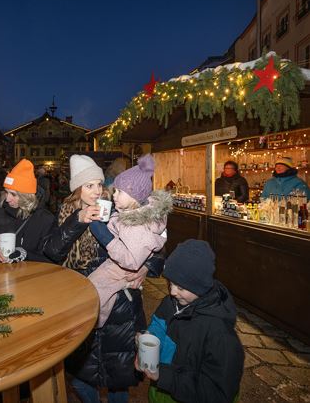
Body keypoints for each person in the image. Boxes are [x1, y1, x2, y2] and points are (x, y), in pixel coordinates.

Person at [44, 154, 165, 403]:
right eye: (89, 185)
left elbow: (156, 249)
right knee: (80, 373)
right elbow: (52, 251)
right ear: (77, 188)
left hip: (120, 303)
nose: (97, 191)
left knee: (118, 375)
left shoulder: (121, 207)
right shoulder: (67, 211)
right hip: (81, 297)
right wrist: (78, 221)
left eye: (99, 184)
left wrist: (146, 267)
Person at [137, 239, 244, 403]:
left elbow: (217, 393)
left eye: (181, 287)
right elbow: (158, 325)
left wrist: (164, 376)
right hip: (161, 391)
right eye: (170, 283)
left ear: (199, 286)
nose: (172, 292)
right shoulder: (171, 302)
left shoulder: (220, 334)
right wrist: (148, 341)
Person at [88, 154, 172, 327]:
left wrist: (105, 236)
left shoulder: (137, 223)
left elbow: (133, 259)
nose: (113, 195)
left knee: (94, 296)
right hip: (113, 267)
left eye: (119, 191)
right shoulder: (129, 213)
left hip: (119, 271)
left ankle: (91, 327)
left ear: (134, 197)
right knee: (92, 291)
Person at [0, 159, 56, 264]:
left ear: (27, 196)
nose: (7, 199)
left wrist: (25, 255)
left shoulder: (45, 219)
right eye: (6, 192)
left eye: (14, 194)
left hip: (31, 278)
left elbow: (50, 260)